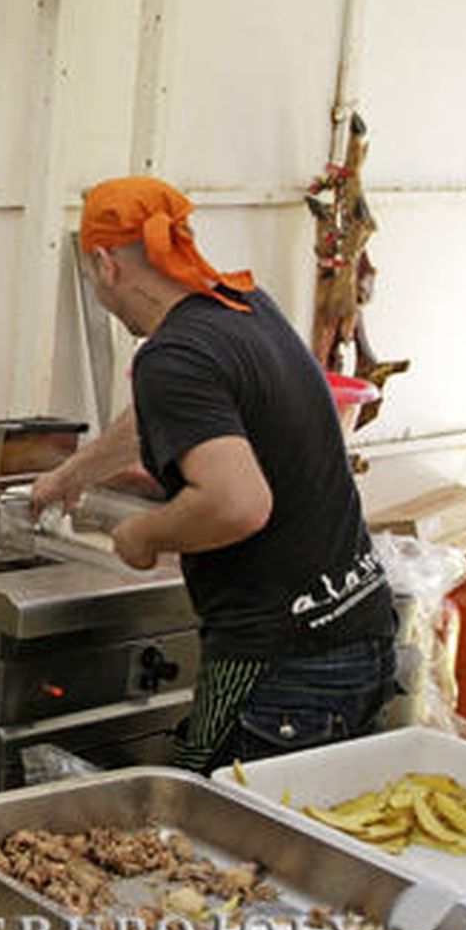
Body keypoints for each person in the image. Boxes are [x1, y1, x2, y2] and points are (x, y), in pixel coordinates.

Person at [32, 175, 397, 773]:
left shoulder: (171, 356)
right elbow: (172, 413)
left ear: (105, 265)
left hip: (285, 666)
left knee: (228, 825)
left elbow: (236, 503)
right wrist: (74, 474)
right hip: (361, 632)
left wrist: (143, 535)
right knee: (314, 825)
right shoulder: (244, 307)